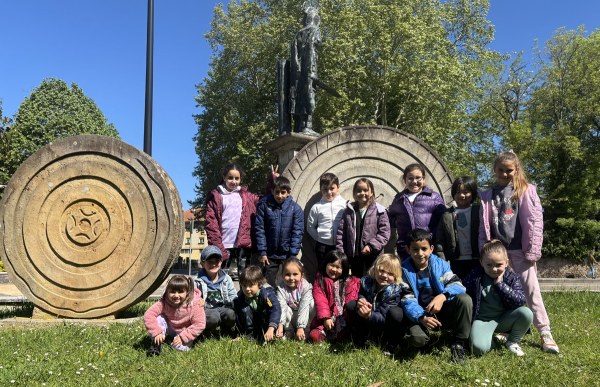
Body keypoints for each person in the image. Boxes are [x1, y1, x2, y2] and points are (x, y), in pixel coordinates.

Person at [479, 151, 559, 354]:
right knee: (501, 291)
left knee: (531, 291)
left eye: (509, 171)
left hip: (520, 251)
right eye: (501, 170)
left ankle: (544, 331)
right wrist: (484, 249)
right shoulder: (487, 195)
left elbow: (535, 222)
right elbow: (483, 226)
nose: (505, 174)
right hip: (499, 253)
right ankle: (508, 330)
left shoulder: (526, 190)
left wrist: (533, 250)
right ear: (494, 169)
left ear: (516, 170)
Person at [401, 228, 472, 363]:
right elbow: (407, 300)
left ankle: (459, 342)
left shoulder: (441, 264)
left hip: (442, 309)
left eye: (424, 249)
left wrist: (442, 296)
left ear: (431, 249)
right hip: (421, 314)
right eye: (415, 249)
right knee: (418, 339)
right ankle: (427, 340)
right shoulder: (403, 271)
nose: (420, 253)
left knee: (465, 299)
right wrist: (421, 317)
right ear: (408, 250)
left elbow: (458, 284)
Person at [205, 163, 276, 279]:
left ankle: (244, 297)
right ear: (224, 178)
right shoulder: (216, 197)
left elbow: (265, 200)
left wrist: (272, 180)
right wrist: (218, 246)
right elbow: (211, 224)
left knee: (246, 278)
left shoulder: (247, 196)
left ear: (240, 179)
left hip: (243, 245)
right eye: (230, 178)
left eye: (237, 178)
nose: (234, 181)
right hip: (223, 244)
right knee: (220, 278)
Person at [463, 240, 533, 357]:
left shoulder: (512, 278)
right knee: (479, 348)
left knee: (526, 313)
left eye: (498, 265)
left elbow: (520, 300)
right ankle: (492, 341)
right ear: (481, 263)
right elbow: (462, 287)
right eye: (489, 265)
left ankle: (512, 341)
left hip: (504, 318)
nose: (494, 269)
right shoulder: (476, 276)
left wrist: (500, 285)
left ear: (506, 263)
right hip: (482, 320)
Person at [346, 253, 408, 351]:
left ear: (396, 277)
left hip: (384, 324)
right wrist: (361, 300)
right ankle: (360, 338)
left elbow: (383, 317)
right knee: (351, 305)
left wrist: (369, 315)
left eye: (390, 273)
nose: (384, 275)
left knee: (396, 313)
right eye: (381, 270)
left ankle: (390, 343)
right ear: (375, 269)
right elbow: (361, 294)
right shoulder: (366, 282)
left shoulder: (394, 292)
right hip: (369, 319)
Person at [389, 163, 446, 259]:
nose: (414, 181)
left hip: (427, 248)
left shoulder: (433, 197)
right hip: (406, 249)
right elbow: (391, 219)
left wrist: (431, 237)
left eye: (418, 178)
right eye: (410, 178)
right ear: (405, 180)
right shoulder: (399, 199)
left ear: (423, 179)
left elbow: (444, 220)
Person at [256, 176, 304, 286]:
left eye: (283, 192)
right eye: (277, 192)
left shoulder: (295, 208)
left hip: (288, 254)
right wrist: (262, 252)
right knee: (268, 284)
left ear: (288, 192)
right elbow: (260, 229)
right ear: (272, 191)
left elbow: (297, 232)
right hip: (269, 255)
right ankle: (270, 303)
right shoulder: (264, 206)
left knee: (289, 283)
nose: (280, 196)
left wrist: (293, 253)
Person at [337, 178, 390, 277]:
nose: (362, 193)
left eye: (365, 190)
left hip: (373, 256)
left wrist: (371, 246)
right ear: (354, 193)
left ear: (372, 192)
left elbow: (384, 233)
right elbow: (341, 233)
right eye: (359, 190)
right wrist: (341, 252)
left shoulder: (380, 211)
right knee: (356, 282)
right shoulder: (349, 211)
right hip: (354, 257)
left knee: (373, 279)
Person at [144, 275, 206, 356]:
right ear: (167, 291)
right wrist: (156, 332)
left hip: (185, 330)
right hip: (171, 327)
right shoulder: (164, 302)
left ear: (187, 292)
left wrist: (183, 337)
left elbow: (199, 324)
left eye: (180, 292)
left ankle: (186, 342)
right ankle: (156, 344)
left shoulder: (195, 304)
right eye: (172, 292)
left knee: (178, 348)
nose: (176, 295)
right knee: (159, 318)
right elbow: (149, 314)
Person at [309, 251, 360, 343]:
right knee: (314, 336)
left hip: (344, 319)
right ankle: (328, 335)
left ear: (344, 269)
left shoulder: (350, 282)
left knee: (345, 334)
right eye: (332, 265)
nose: (334, 269)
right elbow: (321, 300)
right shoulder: (320, 280)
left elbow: (351, 300)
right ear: (325, 264)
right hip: (326, 319)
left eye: (338, 267)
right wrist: (326, 318)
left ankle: (341, 335)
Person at [435, 176, 481, 279]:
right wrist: (442, 262)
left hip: (478, 259)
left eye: (466, 192)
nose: (462, 195)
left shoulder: (479, 211)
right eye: (457, 192)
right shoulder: (446, 215)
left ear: (473, 192)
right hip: (456, 261)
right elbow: (440, 242)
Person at [194, 245, 237, 338]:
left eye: (216, 261)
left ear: (221, 262)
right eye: (210, 262)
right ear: (202, 264)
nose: (213, 264)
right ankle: (207, 332)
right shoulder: (197, 280)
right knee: (214, 316)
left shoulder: (226, 278)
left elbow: (233, 295)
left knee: (230, 314)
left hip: (223, 308)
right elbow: (193, 297)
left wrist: (235, 305)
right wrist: (198, 301)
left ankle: (226, 330)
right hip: (206, 310)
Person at [233, 265, 281, 343]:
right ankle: (248, 335)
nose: (247, 289)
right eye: (244, 286)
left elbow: (275, 309)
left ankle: (267, 334)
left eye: (251, 285)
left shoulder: (267, 293)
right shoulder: (240, 296)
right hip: (253, 323)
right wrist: (238, 333)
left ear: (259, 284)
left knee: (266, 311)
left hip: (266, 324)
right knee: (244, 309)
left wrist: (271, 327)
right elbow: (238, 316)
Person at [307, 172, 346, 266]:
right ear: (321, 189)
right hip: (322, 247)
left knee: (339, 269)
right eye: (325, 189)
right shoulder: (317, 207)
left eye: (332, 188)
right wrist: (320, 238)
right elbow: (310, 227)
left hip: (340, 245)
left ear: (338, 188)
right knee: (323, 270)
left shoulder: (344, 205)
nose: (329, 192)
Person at [275, 258, 315, 341]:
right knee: (283, 307)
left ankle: (305, 331)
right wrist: (280, 325)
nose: (291, 278)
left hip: (304, 317)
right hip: (290, 318)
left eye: (295, 274)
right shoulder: (281, 288)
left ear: (301, 275)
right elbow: (281, 307)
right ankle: (289, 331)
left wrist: (301, 327)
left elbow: (304, 307)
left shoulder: (306, 287)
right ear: (282, 275)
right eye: (287, 274)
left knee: (312, 304)